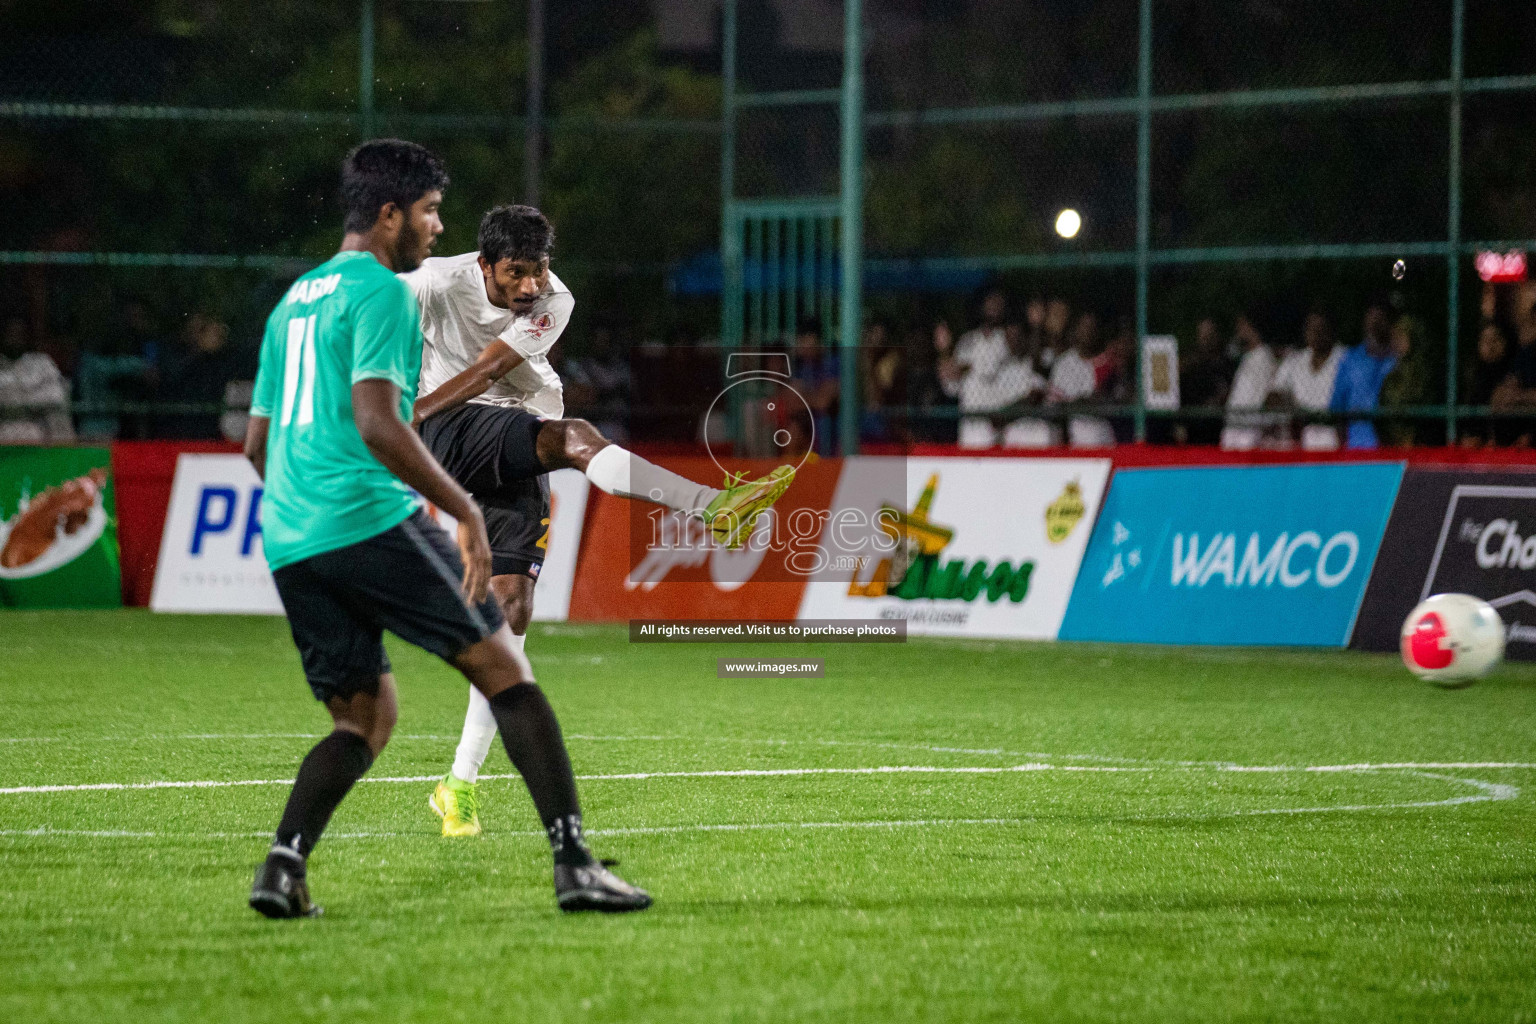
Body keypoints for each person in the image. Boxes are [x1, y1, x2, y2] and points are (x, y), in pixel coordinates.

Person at [243, 139, 650, 918]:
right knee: (506, 670)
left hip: (292, 538)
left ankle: (281, 868)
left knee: (364, 719)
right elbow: (381, 421)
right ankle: (574, 864)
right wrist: (461, 509)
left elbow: (257, 446)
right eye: (429, 212)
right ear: (391, 213)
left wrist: (304, 515)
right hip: (365, 519)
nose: (437, 228)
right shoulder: (386, 295)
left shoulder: (291, 302)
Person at [402, 204, 796, 838]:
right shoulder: (433, 282)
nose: (531, 287)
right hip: (451, 427)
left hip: (510, 433)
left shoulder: (555, 299)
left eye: (539, 270)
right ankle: (709, 506)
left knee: (512, 612)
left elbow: (492, 371)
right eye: (516, 274)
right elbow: (387, 323)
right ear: (484, 266)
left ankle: (458, 785)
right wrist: (402, 413)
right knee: (577, 438)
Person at [1329, 303, 1402, 449]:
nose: (1375, 325)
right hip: (1356, 447)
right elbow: (1338, 409)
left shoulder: (1398, 360)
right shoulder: (1351, 360)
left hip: (1391, 448)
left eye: (1380, 319)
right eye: (1371, 318)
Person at [1268, 311, 1342, 450]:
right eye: (1312, 328)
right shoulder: (1295, 360)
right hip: (1302, 434)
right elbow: (1272, 397)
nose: (1316, 333)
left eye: (1321, 328)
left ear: (1331, 330)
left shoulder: (1344, 358)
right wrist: (1292, 405)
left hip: (1334, 433)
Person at [1220, 315, 1277, 450]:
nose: (1238, 330)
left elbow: (1262, 398)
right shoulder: (1248, 356)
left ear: (1253, 328)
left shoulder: (1264, 357)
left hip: (1249, 431)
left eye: (1242, 325)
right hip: (1234, 427)